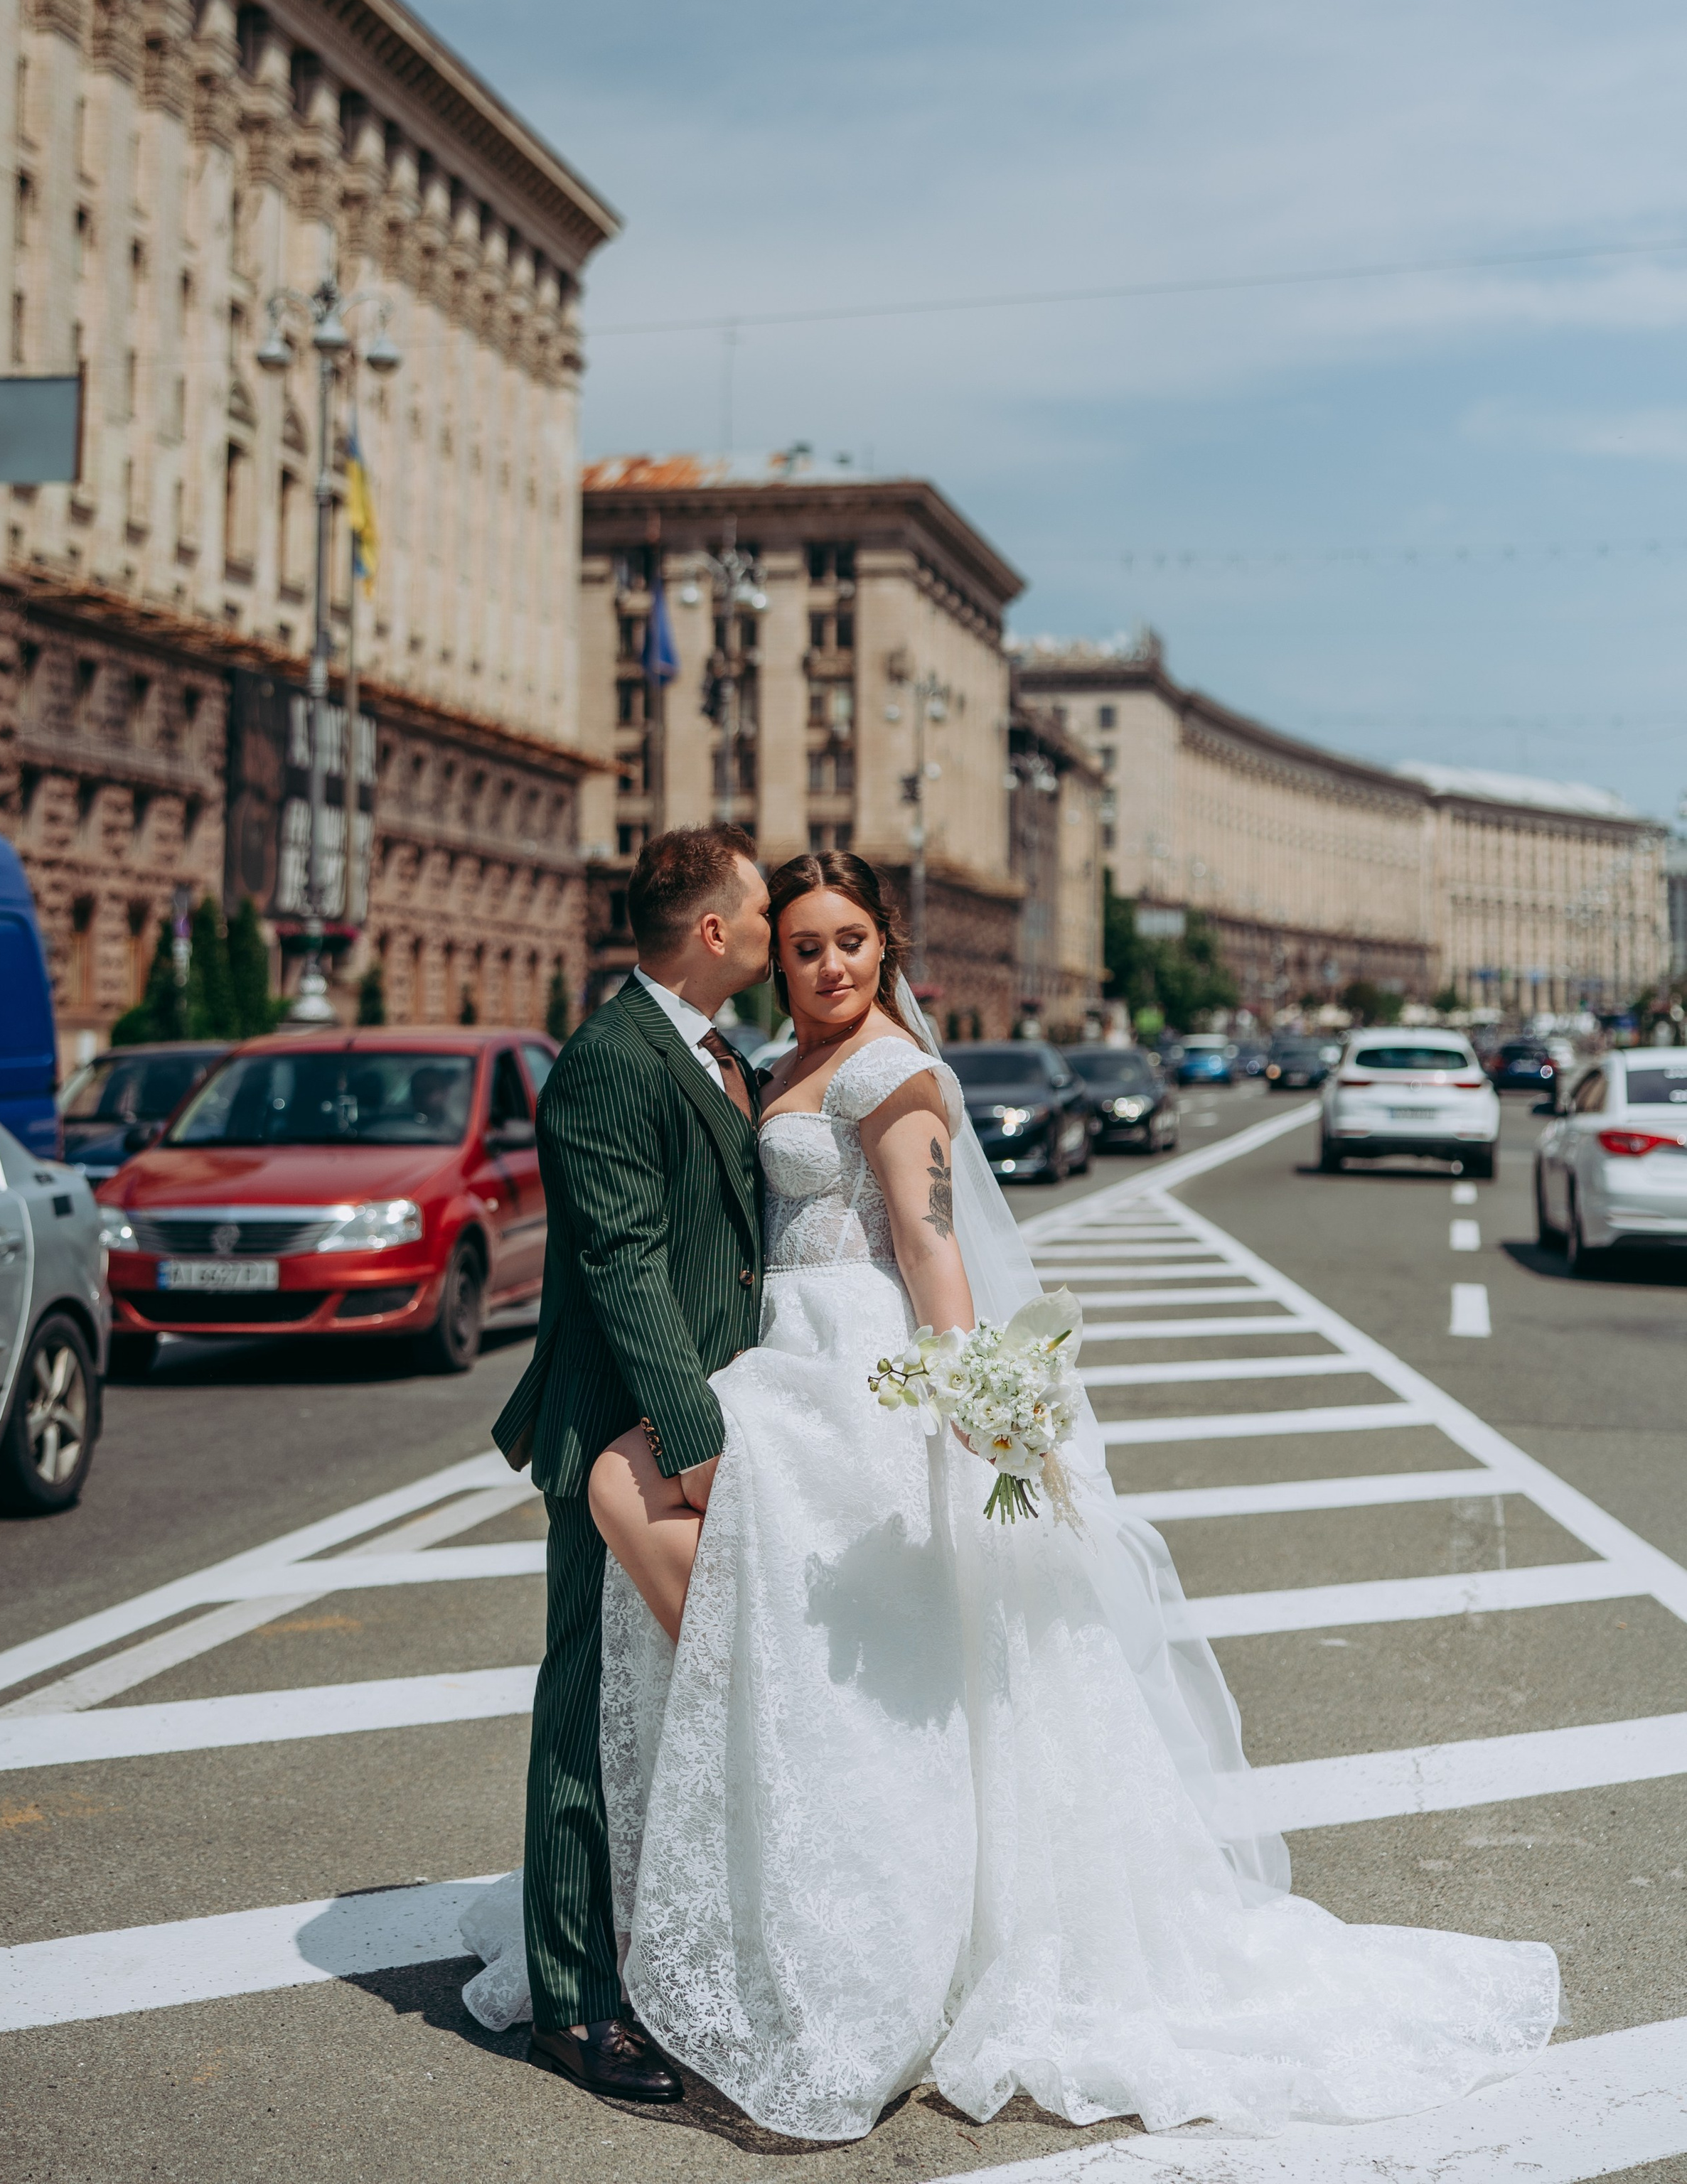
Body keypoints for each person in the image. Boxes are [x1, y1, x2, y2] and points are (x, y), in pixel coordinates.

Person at [465, 845, 1559, 2146]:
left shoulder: (887, 1070)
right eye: (802, 943)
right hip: (779, 1363)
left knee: (836, 1643)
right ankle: (774, 1854)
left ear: (890, 949)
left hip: (859, 1373)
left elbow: (930, 1247)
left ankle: (837, 1892)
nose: (822, 964)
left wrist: (972, 1401)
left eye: (847, 943)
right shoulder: (764, 1067)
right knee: (783, 1629)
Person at [487, 824, 771, 2105]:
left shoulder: (718, 1052)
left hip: (703, 1423)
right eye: (762, 914)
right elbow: (622, 1270)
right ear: (712, 931)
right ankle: (571, 2005)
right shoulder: (610, 1061)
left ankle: (661, 1958)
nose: (773, 933)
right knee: (585, 1720)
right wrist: (695, 1440)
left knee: (667, 1715)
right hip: (627, 1437)